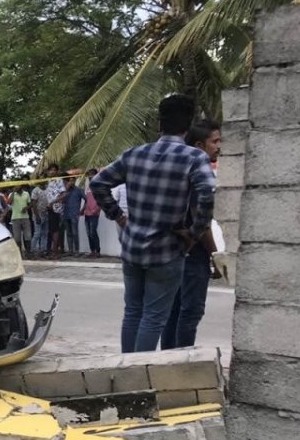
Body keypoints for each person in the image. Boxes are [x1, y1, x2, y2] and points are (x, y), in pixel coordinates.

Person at [90, 93, 216, 353]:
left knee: (133, 312)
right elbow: (207, 195)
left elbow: (98, 183)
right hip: (167, 250)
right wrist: (194, 232)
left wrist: (119, 216)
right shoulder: (194, 158)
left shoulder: (134, 154)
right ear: (188, 125)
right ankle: (139, 376)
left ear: (160, 124)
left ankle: (126, 369)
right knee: (153, 317)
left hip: (133, 247)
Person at [161, 119, 223, 349]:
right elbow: (202, 221)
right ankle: (180, 365)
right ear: (199, 145)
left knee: (174, 312)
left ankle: (165, 363)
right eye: (214, 141)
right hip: (193, 254)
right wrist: (216, 256)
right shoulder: (200, 174)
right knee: (190, 312)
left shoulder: (177, 170)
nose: (219, 146)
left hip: (173, 252)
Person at [44, 164, 66, 257]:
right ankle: (53, 251)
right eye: (50, 170)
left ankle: (55, 252)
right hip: (49, 208)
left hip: (56, 208)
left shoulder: (59, 181)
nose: (52, 172)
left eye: (54, 170)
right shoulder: (48, 182)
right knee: (52, 230)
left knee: (55, 230)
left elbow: (64, 194)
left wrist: (53, 202)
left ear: (57, 171)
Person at [62, 176, 86, 255]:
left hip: (74, 214)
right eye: (69, 181)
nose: (71, 182)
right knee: (68, 233)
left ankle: (77, 250)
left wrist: (82, 209)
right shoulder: (64, 191)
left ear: (75, 181)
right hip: (65, 214)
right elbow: (61, 200)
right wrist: (66, 190)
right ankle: (70, 250)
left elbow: (86, 200)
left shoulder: (79, 190)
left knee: (75, 232)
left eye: (73, 180)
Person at [8, 181, 33, 255]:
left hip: (25, 217)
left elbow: (30, 204)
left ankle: (28, 252)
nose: (16, 186)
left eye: (18, 185)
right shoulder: (12, 194)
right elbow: (9, 202)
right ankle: (19, 253)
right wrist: (13, 192)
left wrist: (27, 208)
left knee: (28, 236)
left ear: (21, 185)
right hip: (15, 218)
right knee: (17, 237)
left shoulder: (26, 193)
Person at [83, 169, 102, 257]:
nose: (90, 176)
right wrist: (83, 209)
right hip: (87, 213)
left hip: (94, 213)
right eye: (89, 175)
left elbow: (101, 200)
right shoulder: (87, 186)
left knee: (92, 232)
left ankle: (98, 251)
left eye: (92, 174)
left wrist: (97, 210)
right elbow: (86, 200)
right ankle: (92, 251)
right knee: (88, 233)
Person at [30, 180, 49, 257]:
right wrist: (37, 216)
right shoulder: (36, 190)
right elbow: (33, 204)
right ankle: (32, 250)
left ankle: (43, 250)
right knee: (37, 233)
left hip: (46, 213)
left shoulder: (48, 189)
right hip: (38, 214)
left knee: (45, 233)